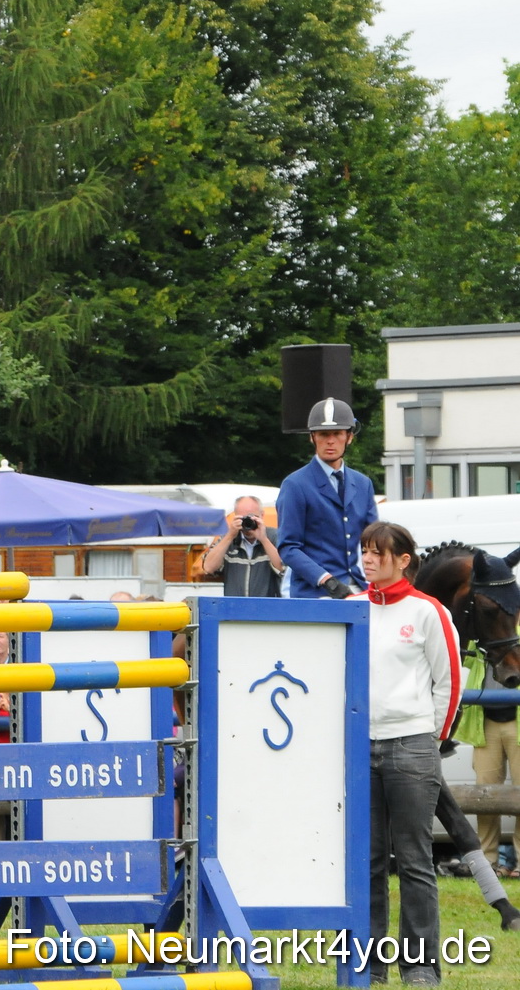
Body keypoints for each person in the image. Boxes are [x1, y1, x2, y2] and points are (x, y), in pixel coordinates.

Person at [358, 522, 459, 985]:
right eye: (364, 551)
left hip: (412, 745)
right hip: (359, 746)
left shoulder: (428, 612)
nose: (368, 559)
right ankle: (371, 963)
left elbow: (450, 682)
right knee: (369, 860)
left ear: (404, 560)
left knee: (416, 861)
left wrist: (428, 739)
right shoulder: (351, 609)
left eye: (379, 552)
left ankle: (420, 966)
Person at [276, 398, 378, 598]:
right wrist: (327, 580)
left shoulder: (363, 483)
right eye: (324, 434)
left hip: (358, 586)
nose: (330, 441)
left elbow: (376, 539)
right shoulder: (295, 485)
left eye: (337, 434)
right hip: (315, 590)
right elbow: (289, 548)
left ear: (349, 437)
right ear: (312, 437)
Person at [199, 495, 283, 596]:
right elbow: (208, 568)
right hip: (235, 608)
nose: (248, 523)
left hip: (267, 608)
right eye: (243, 518)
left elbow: (283, 568)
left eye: (253, 517)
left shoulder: (275, 536)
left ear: (262, 515)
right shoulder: (228, 539)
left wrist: (264, 540)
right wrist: (230, 536)